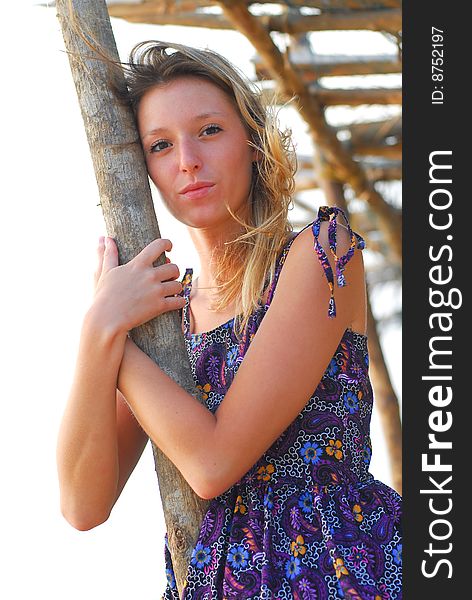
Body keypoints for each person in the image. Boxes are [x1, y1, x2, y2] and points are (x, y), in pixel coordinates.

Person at [56, 40, 402, 599]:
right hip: (219, 581)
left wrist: (112, 335)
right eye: (161, 145)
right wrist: (99, 329)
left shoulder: (323, 253)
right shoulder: (164, 318)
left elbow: (213, 462)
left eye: (209, 130)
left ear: (253, 141)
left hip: (337, 570)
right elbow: (82, 504)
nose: (187, 158)